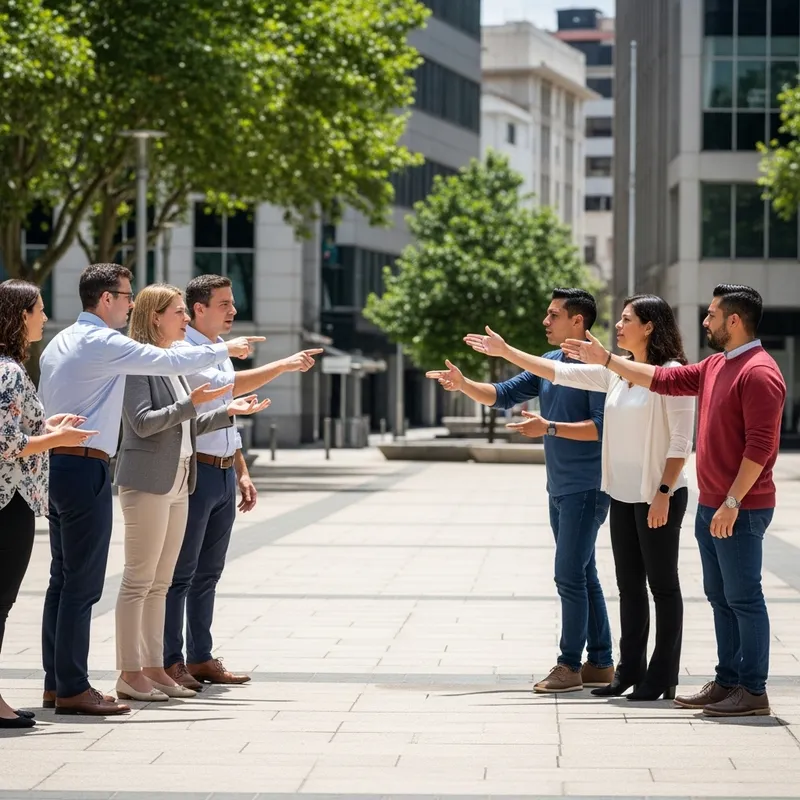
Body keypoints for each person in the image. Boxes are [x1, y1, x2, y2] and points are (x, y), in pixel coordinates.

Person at [38, 263, 263, 716]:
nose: (129, 302)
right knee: (94, 585)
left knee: (78, 582)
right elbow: (148, 413)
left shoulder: (63, 340)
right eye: (125, 295)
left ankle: (72, 680)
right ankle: (94, 680)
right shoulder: (113, 346)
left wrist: (221, 409)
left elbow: (183, 409)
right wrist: (224, 352)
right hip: (91, 467)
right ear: (106, 299)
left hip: (78, 463)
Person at [562, 284, 786, 717]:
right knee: (720, 598)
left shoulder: (759, 371)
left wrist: (733, 502)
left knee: (743, 598)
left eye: (712, 314)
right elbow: (665, 378)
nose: (705, 321)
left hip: (739, 508)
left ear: (734, 321)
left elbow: (761, 447)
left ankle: (753, 691)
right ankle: (727, 681)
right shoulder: (718, 364)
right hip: (713, 506)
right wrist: (608, 361)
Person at [466, 296, 695, 701]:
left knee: (662, 586)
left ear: (650, 327)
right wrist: (507, 352)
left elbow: (680, 441)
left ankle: (661, 676)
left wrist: (663, 490)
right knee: (629, 587)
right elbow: (556, 372)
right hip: (622, 493)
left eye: (627, 320)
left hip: (657, 494)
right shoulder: (615, 375)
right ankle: (627, 671)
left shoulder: (671, 374)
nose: (618, 325)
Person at [426, 288, 614, 694]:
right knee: (584, 573)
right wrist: (463, 384)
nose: (545, 321)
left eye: (553, 314)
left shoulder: (599, 369)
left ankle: (569, 665)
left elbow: (601, 428)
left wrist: (547, 426)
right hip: (560, 487)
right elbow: (502, 395)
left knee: (568, 575)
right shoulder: (548, 363)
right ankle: (600, 662)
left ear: (577, 321)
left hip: (588, 487)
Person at [114, 285, 272, 703]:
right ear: (155, 318)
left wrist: (227, 412)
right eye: (179, 312)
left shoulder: (173, 364)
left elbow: (187, 424)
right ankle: (131, 673)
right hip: (148, 480)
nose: (186, 319)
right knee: (139, 581)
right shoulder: (137, 363)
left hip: (179, 480)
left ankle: (154, 668)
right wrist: (194, 404)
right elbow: (143, 423)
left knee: (161, 582)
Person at [164, 274, 322, 689]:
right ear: (199, 309)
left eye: (232, 303)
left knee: (209, 573)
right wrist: (285, 365)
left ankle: (199, 657)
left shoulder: (217, 351)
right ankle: (170, 660)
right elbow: (230, 388)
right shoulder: (184, 352)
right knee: (182, 572)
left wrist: (241, 470)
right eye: (224, 304)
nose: (233, 311)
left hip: (220, 471)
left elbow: (226, 413)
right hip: (196, 470)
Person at [0, 280, 95, 729]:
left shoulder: (12, 367)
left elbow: (19, 426)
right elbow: (6, 443)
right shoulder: (9, 370)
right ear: (20, 314)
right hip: (8, 500)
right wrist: (58, 438)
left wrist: (50, 423)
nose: (44, 317)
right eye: (38, 309)